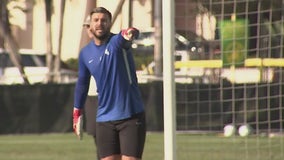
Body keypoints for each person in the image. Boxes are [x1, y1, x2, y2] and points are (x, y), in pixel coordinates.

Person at [73, 7, 146, 160]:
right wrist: (77, 112)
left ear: (109, 23)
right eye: (96, 20)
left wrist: (130, 32)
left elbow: (128, 35)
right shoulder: (85, 53)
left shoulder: (117, 42)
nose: (100, 23)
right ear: (90, 25)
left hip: (130, 117)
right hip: (104, 119)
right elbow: (82, 83)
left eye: (104, 20)